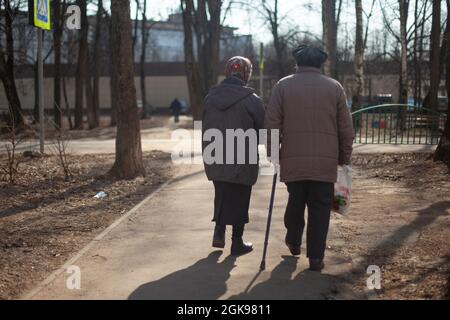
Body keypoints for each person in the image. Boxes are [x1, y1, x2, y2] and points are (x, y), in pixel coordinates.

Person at [265, 45, 354, 271]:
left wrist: (273, 153)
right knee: (320, 210)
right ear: (320, 64)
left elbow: (272, 123)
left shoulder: (283, 86)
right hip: (326, 162)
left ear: (297, 63)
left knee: (295, 201)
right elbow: (345, 127)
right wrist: (344, 157)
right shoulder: (334, 88)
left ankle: (294, 240)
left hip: (293, 159)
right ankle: (316, 258)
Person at [202, 56, 265, 256]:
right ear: (246, 74)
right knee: (240, 196)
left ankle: (218, 231)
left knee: (221, 192)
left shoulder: (210, 97)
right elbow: (263, 132)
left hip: (214, 152)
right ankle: (237, 242)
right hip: (242, 156)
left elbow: (203, 123)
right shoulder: (252, 100)